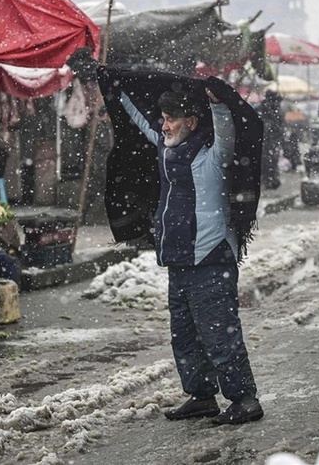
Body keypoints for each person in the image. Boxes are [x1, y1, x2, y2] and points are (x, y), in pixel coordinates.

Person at [117, 86, 263, 425]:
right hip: (179, 260)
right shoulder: (166, 151)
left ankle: (244, 400)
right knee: (184, 336)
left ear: (193, 122)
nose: (164, 126)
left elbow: (226, 132)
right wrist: (112, 84)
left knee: (218, 333)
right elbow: (139, 118)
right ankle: (201, 397)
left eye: (172, 119)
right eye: (163, 119)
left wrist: (218, 103)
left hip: (210, 259)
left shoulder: (213, 157)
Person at [257, 90, 285, 189]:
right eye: (276, 101)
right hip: (264, 140)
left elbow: (281, 124)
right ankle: (267, 180)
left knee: (273, 160)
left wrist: (280, 135)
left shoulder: (276, 110)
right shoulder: (262, 109)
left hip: (273, 139)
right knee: (266, 161)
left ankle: (273, 180)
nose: (277, 103)